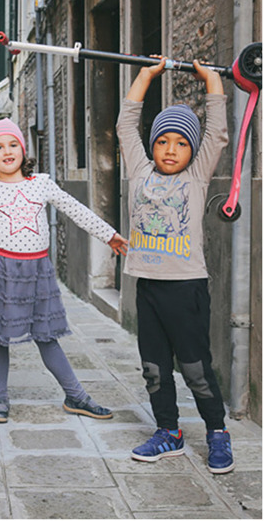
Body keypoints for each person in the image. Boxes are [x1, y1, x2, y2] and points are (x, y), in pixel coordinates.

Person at [0, 118, 128, 423]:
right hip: (0, 271)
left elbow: (75, 210)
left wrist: (109, 234)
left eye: (13, 144)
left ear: (23, 150)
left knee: (46, 335)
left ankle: (76, 396)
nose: (7, 151)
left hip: (37, 271)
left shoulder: (41, 183)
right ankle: (0, 399)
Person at [116, 57, 234, 474]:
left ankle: (217, 431)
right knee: (154, 368)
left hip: (186, 288)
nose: (170, 149)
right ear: (152, 146)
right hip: (146, 286)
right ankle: (169, 432)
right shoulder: (139, 170)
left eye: (181, 143)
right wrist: (147, 76)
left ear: (192, 150)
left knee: (195, 366)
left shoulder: (198, 177)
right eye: (163, 141)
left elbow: (217, 134)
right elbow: (125, 126)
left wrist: (213, 80)